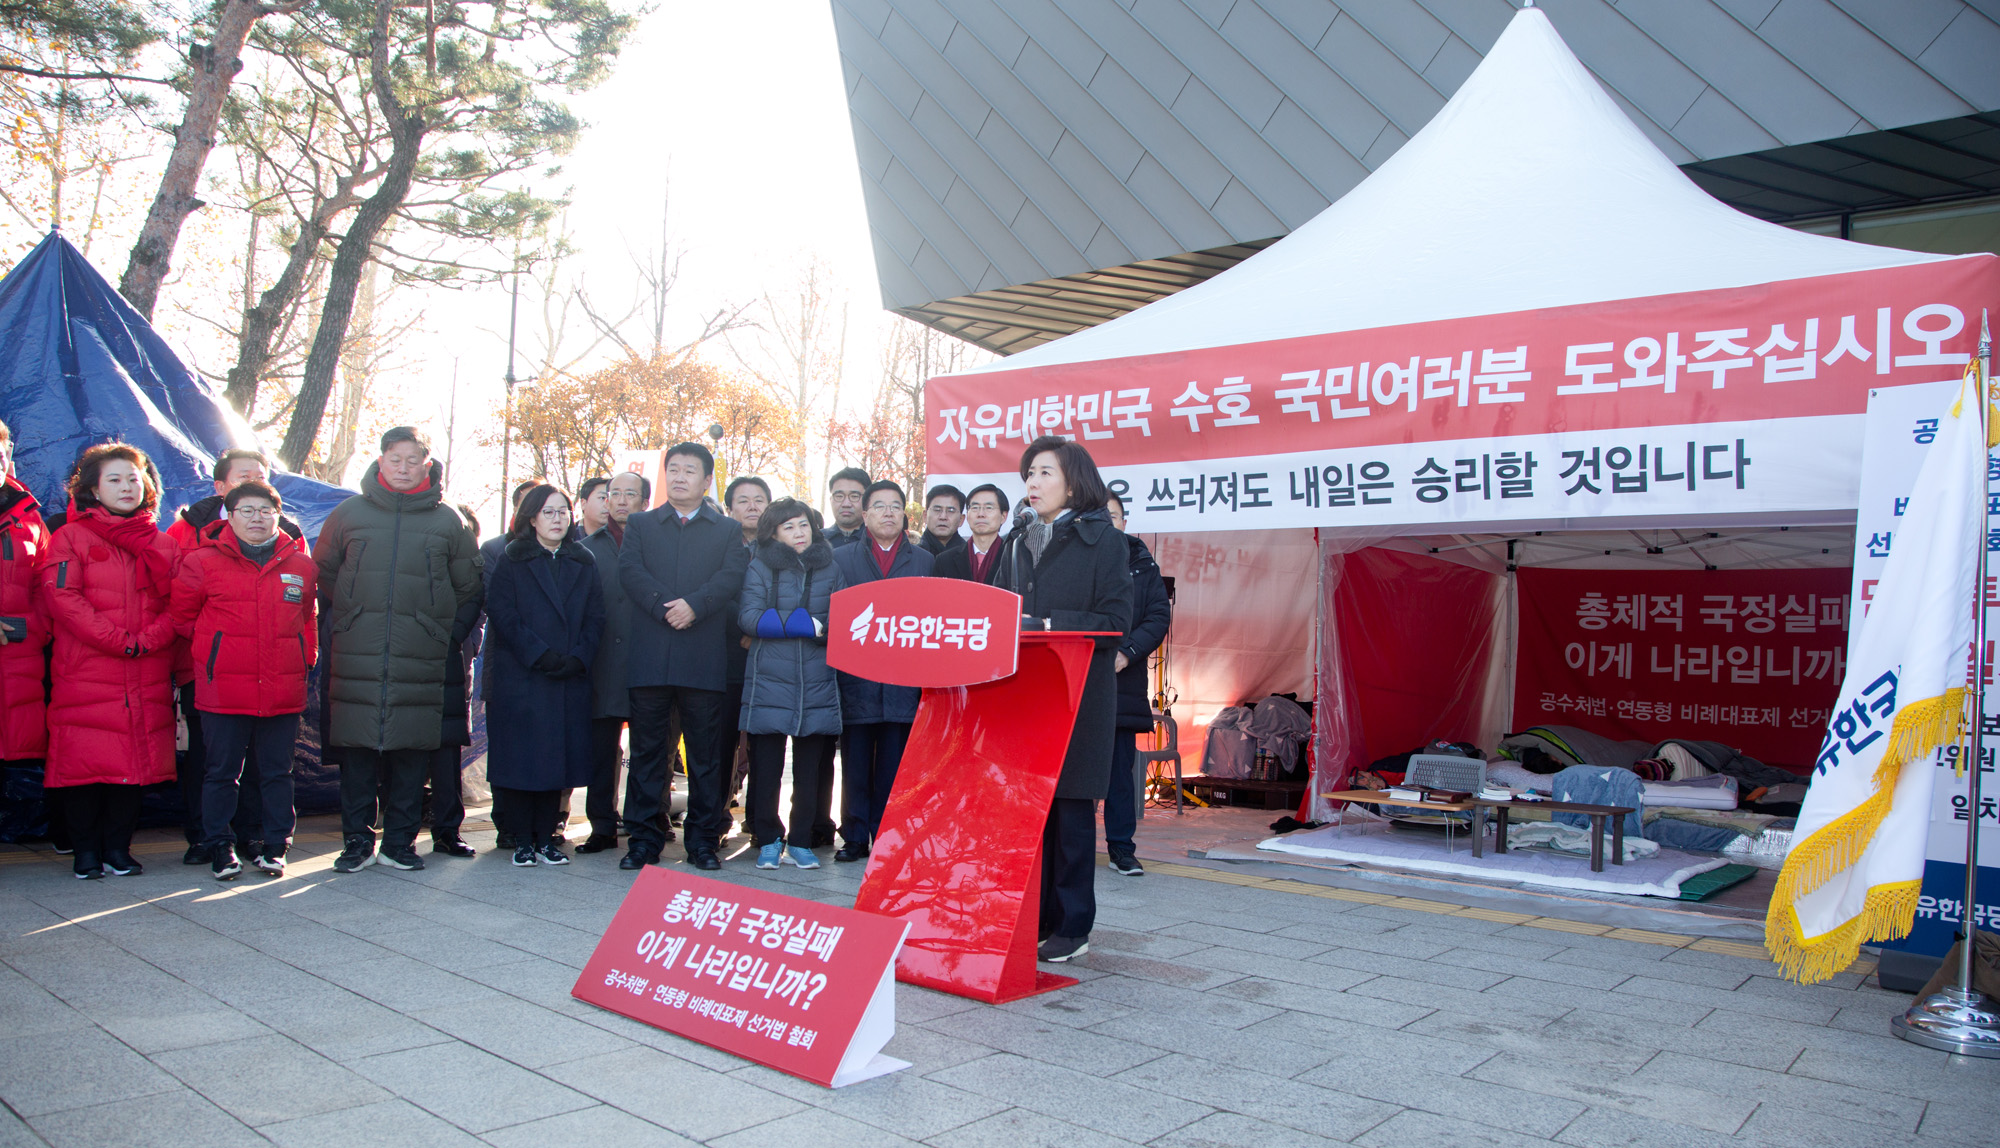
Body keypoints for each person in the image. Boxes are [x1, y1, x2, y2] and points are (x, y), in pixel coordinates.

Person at [994, 436, 1133, 962]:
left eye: (1044, 473)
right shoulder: (1017, 539)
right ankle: (1038, 915)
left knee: (1072, 810)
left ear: (1073, 481)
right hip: (1027, 690)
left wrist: (1052, 625)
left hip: (1078, 692)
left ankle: (1074, 924)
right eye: (1028, 473)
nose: (1032, 482)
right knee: (1033, 811)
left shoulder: (1107, 541)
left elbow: (1117, 621)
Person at [316, 427, 480, 873]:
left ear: (426, 465)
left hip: (420, 655)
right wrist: (351, 618)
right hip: (358, 653)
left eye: (413, 461)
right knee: (357, 754)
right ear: (381, 460)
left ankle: (400, 843)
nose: (404, 468)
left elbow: (469, 587)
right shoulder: (349, 513)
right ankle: (355, 842)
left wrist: (442, 634)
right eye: (396, 459)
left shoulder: (449, 520)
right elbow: (325, 573)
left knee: (411, 754)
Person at [42, 443, 180, 879]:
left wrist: (148, 639)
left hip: (146, 666)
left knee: (133, 763)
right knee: (84, 763)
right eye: (115, 480)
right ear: (93, 490)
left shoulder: (162, 543)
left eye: (134, 479)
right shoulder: (70, 536)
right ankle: (86, 851)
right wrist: (120, 640)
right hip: (88, 667)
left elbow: (181, 601)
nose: (126, 487)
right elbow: (63, 598)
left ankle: (118, 849)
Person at [169, 480, 317, 879]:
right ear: (229, 517)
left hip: (282, 686)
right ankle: (220, 845)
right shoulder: (201, 561)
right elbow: (182, 617)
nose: (256, 518)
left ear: (277, 515)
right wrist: (212, 652)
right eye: (246, 511)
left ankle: (275, 845)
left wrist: (307, 656)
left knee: (276, 772)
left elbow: (307, 617)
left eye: (265, 511)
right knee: (221, 772)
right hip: (224, 687)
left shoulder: (301, 564)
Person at [618, 442, 749, 871]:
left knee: (706, 756)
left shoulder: (726, 530)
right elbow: (631, 572)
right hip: (651, 656)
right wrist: (663, 606)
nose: (679, 477)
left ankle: (703, 841)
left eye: (689, 471)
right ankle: (643, 839)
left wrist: (695, 604)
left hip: (703, 659)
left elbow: (730, 576)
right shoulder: (641, 523)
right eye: (672, 469)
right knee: (648, 753)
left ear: (707, 480)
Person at [484, 485, 604, 866]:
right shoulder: (512, 558)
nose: (557, 519)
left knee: (557, 762)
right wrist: (540, 655)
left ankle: (548, 836)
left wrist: (578, 657)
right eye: (548, 513)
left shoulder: (582, 560)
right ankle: (522, 838)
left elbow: (595, 616)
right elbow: (504, 616)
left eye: (563, 512)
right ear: (532, 517)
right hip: (522, 676)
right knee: (523, 761)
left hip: (568, 676)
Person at [829, 479, 934, 862]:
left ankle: (888, 837)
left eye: (895, 506)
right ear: (864, 514)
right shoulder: (840, 559)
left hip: (904, 684)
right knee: (855, 765)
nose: (888, 513)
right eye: (879, 506)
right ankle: (854, 836)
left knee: (895, 766)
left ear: (904, 515)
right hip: (855, 679)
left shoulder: (924, 561)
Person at [737, 498, 842, 870]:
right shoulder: (761, 565)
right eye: (789, 527)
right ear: (774, 533)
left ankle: (800, 840)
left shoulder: (831, 566)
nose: (798, 533)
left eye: (803, 525)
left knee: (810, 770)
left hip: (816, 680)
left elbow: (843, 617)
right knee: (766, 768)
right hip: (769, 680)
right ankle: (768, 838)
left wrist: (819, 628)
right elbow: (748, 616)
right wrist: (795, 623)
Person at [579, 470, 648, 853]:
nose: (620, 501)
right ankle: (601, 826)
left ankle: (644, 822)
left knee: (649, 750)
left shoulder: (655, 545)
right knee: (602, 750)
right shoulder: (586, 548)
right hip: (602, 662)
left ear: (645, 501)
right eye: (613, 494)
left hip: (646, 662)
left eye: (629, 494)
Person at [1102, 493, 1171, 878]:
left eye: (1114, 516)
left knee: (1119, 773)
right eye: (1101, 517)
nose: (1108, 523)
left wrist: (1127, 652)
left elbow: (1159, 615)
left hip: (1122, 683)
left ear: (1124, 522)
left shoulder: (1143, 565)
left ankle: (1121, 848)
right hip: (1078, 682)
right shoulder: (1081, 563)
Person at [0, 419, 52, 849]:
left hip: (19, 652)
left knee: (18, 741)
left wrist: (28, 628)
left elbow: (48, 586)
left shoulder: (28, 518)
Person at [481, 478, 536, 848]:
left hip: (550, 668)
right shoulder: (495, 550)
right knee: (507, 746)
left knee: (544, 747)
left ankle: (546, 822)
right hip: (506, 663)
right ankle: (506, 823)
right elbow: (493, 605)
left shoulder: (569, 552)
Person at [428, 502, 484, 859]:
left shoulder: (469, 567)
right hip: (408, 660)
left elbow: (475, 607)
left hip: (451, 660)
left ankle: (448, 829)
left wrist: (457, 640)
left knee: (447, 749)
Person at [723, 476, 771, 810]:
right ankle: (720, 816)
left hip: (769, 654)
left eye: (759, 500)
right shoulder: (717, 546)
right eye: (743, 500)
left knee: (765, 745)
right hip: (725, 654)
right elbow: (715, 592)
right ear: (729, 509)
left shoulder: (780, 548)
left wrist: (760, 629)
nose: (752, 507)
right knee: (723, 741)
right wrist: (741, 625)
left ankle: (759, 819)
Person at [933, 483, 1008, 584]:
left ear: (1003, 516)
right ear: (967, 516)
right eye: (975, 508)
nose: (981, 514)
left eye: (989, 508)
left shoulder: (1013, 558)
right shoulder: (945, 561)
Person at [823, 467, 870, 548]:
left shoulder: (879, 540)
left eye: (854, 496)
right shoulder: (816, 540)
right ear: (831, 500)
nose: (846, 504)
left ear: (868, 500)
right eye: (839, 496)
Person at [918, 484, 965, 557]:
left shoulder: (971, 557)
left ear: (961, 520)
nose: (943, 517)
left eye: (951, 511)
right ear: (925, 516)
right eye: (937, 510)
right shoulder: (911, 556)